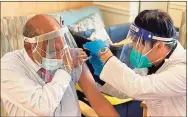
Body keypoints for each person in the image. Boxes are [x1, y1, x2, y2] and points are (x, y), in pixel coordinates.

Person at [82, 9, 186, 116]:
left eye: (138, 42)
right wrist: (101, 76)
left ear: (159, 46)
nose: (134, 47)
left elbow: (137, 88)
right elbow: (126, 89)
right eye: (133, 41)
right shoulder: (151, 63)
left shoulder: (182, 70)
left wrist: (105, 54)